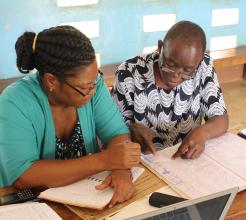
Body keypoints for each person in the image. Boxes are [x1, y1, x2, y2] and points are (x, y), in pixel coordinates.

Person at [0, 25, 141, 207]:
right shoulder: (14, 103)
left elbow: (116, 134)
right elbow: (25, 176)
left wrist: (120, 170)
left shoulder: (93, 87)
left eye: (95, 80)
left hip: (83, 198)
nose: (93, 90)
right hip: (27, 204)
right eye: (84, 87)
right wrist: (104, 160)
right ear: (51, 80)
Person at [112, 20, 228, 159]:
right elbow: (111, 131)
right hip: (143, 160)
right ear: (160, 47)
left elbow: (221, 118)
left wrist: (202, 133)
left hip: (184, 159)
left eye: (187, 70)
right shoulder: (129, 73)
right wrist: (131, 131)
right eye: (170, 64)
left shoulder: (204, 66)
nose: (175, 75)